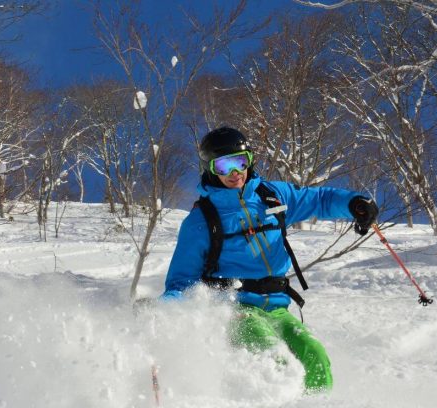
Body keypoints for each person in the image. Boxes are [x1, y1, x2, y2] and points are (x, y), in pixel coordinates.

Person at [161, 127, 378, 391]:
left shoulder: (271, 195)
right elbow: (181, 281)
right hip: (234, 309)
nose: (235, 173)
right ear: (209, 168)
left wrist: (353, 203)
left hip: (277, 306)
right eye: (224, 166)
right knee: (274, 356)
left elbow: (318, 199)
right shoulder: (200, 221)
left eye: (241, 162)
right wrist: (164, 311)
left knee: (315, 357)